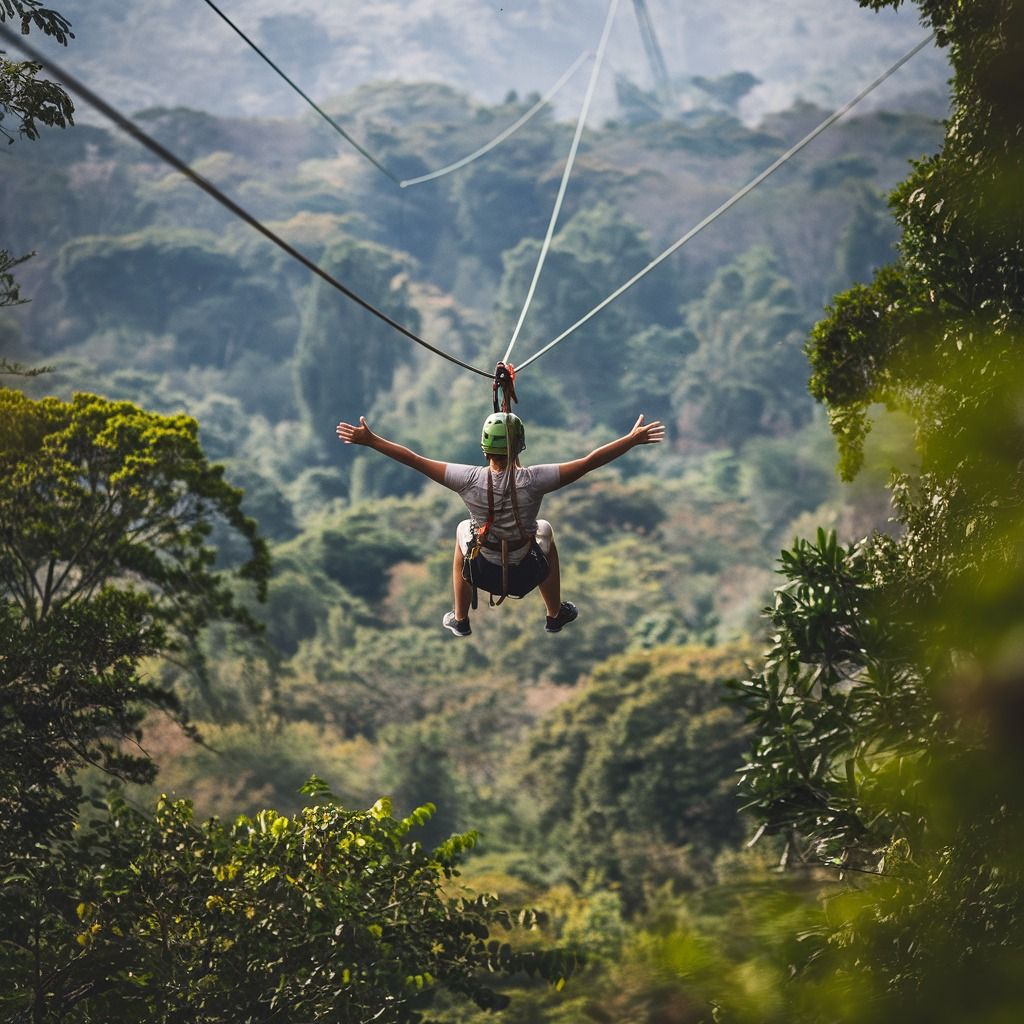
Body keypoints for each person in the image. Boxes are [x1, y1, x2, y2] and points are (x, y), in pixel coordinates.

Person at [335, 411, 665, 636]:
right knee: (545, 528)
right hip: (526, 570)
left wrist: (372, 440)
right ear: (520, 445)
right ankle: (554, 613)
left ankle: (461, 618)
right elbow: (589, 462)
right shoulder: (536, 480)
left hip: (484, 571)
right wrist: (631, 439)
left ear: (484, 447)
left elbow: (415, 460)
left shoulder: (467, 479)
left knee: (463, 531)